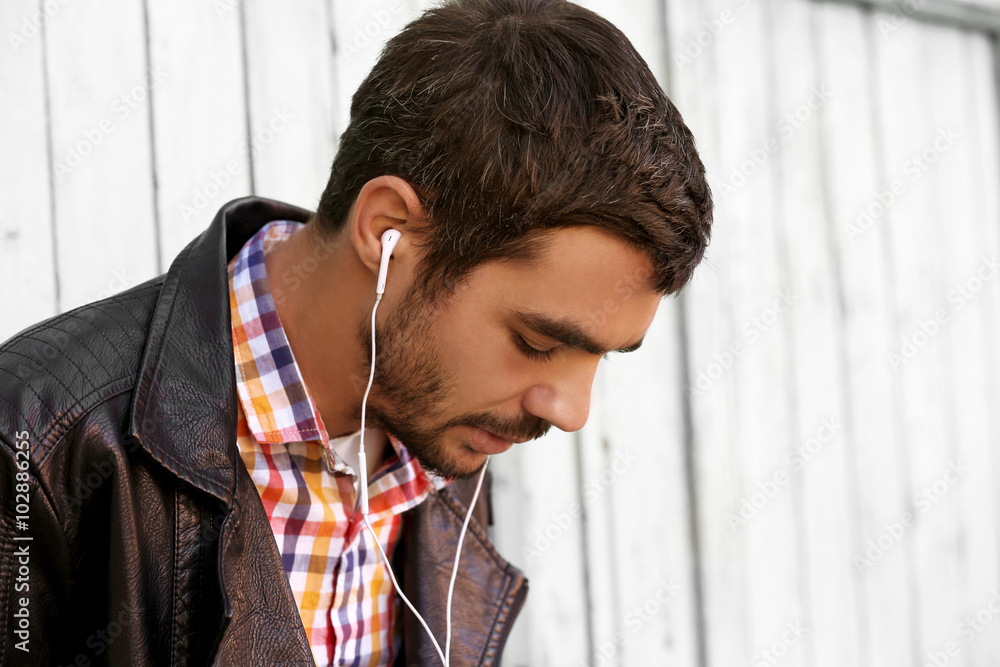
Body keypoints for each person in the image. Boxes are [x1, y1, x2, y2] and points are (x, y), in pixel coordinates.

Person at [0, 0, 711, 664]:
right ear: (387, 231)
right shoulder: (39, 447)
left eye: (603, 357)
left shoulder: (445, 426)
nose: (571, 409)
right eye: (537, 341)